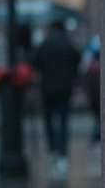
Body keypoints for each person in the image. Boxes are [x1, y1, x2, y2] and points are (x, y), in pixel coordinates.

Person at [32, 20, 82, 170]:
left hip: (47, 87)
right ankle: (62, 153)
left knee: (49, 120)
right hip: (65, 87)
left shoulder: (44, 44)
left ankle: (52, 150)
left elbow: (36, 63)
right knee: (64, 120)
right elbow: (77, 61)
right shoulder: (68, 44)